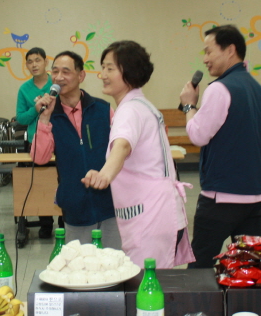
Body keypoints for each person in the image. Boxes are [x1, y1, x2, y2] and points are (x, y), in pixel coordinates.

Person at [81, 41, 195, 268]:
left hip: (151, 217)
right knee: (155, 282)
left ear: (130, 72)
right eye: (103, 68)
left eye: (110, 68)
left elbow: (122, 146)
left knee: (146, 284)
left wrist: (104, 175)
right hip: (161, 212)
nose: (102, 75)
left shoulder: (130, 110)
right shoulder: (142, 105)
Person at [180, 25, 261, 269]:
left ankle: (200, 298)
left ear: (230, 50)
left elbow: (198, 135)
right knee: (246, 269)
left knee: (200, 267)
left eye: (209, 51)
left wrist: (189, 106)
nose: (205, 59)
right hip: (257, 196)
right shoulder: (258, 89)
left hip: (222, 198)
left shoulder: (219, 89)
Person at [32, 51, 120, 248]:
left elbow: (120, 151)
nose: (59, 77)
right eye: (55, 72)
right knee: (80, 264)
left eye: (66, 71)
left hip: (110, 204)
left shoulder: (103, 109)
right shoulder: (50, 115)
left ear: (81, 76)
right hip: (75, 207)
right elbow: (39, 158)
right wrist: (44, 119)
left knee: (113, 261)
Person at [14, 47, 55, 237]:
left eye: (38, 60)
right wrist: (36, 109)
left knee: (62, 181)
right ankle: (46, 224)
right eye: (30, 61)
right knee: (41, 184)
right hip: (36, 141)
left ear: (46, 62)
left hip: (59, 139)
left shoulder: (57, 84)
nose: (34, 65)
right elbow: (21, 118)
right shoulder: (24, 89)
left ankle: (65, 222)